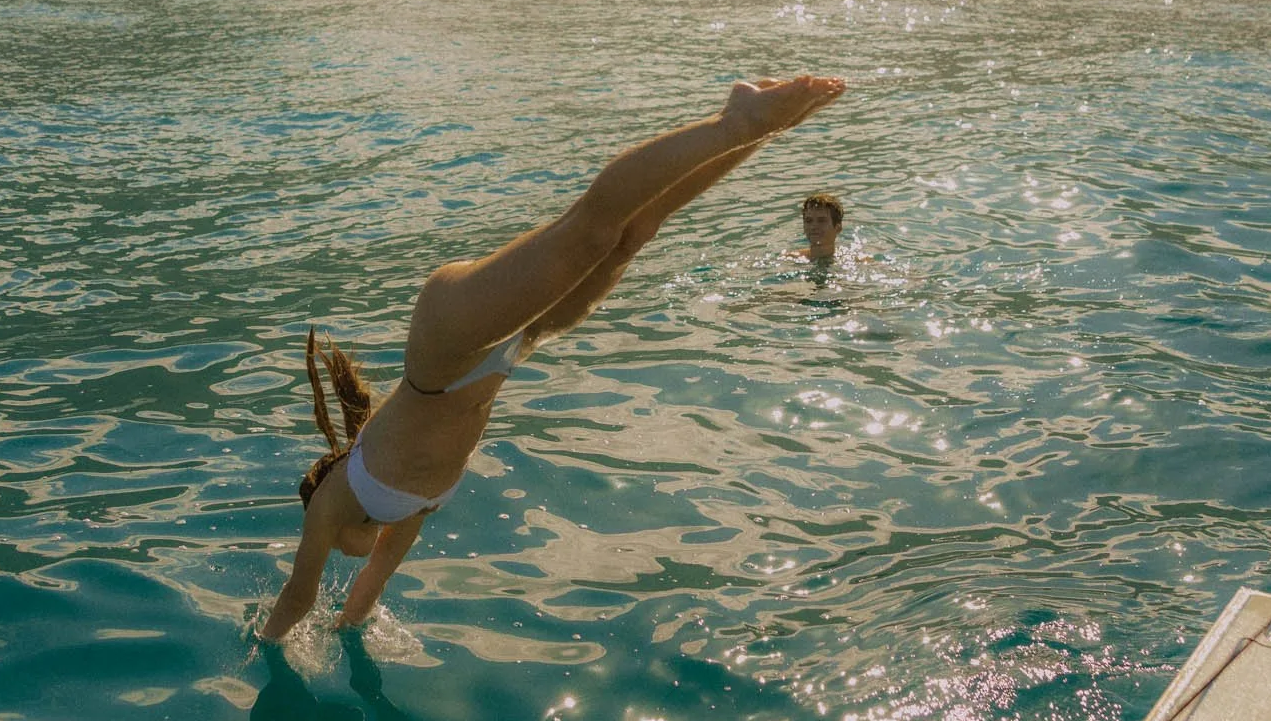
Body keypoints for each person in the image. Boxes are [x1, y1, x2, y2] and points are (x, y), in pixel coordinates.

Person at [261, 74, 846, 640]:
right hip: (506, 351)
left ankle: (734, 118)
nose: (342, 554)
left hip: (443, 352)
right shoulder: (404, 514)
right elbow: (369, 588)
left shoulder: (333, 502)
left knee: (587, 233)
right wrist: (345, 631)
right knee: (631, 234)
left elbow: (298, 596)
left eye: (338, 549)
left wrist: (263, 648)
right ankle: (759, 131)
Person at [801, 190, 844, 263]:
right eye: (808, 221)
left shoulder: (857, 262)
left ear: (838, 228)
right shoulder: (789, 259)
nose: (813, 227)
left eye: (821, 221)